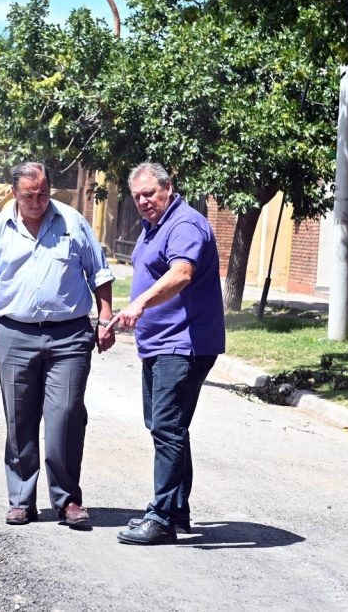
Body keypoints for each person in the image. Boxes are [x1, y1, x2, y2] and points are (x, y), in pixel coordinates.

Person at [0, 161, 115, 528]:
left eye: (43, 194)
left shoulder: (72, 222)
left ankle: (67, 501)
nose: (37, 202)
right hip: (14, 334)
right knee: (20, 419)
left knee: (66, 414)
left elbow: (99, 273)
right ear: (15, 193)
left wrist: (105, 319)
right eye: (29, 196)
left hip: (69, 335)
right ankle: (21, 500)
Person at [111, 162, 225, 545]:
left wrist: (140, 304)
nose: (144, 201)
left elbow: (181, 274)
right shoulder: (155, 227)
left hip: (183, 344)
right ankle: (176, 511)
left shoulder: (184, 225)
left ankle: (162, 517)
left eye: (150, 193)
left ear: (168, 188)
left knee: (166, 427)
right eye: (138, 196)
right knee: (166, 426)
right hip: (161, 345)